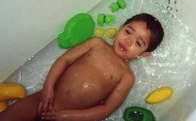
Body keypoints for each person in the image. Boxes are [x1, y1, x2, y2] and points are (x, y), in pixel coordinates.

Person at [0, 13, 164, 121]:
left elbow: (105, 110)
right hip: (43, 99)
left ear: (142, 54)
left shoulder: (126, 77)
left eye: (138, 42)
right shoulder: (96, 44)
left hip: (71, 117)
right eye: (128, 31)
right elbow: (64, 60)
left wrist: (67, 116)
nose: (128, 41)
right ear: (120, 28)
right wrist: (48, 88)